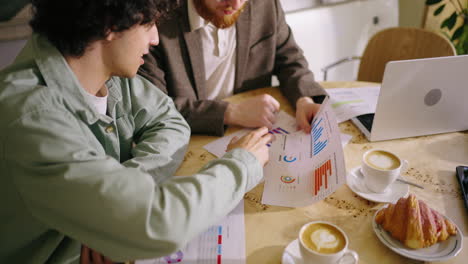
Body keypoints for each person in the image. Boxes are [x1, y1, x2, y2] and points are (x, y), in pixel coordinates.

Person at [0, 0, 273, 263]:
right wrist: (242, 164)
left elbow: (170, 120)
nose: (155, 38)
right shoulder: (31, 119)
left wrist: (112, 209)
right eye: (148, 24)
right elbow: (160, 221)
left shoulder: (99, 67)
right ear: (109, 25)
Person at [138, 0, 328, 136]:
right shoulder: (155, 18)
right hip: (186, 140)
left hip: (250, 136)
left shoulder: (264, 4)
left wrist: (303, 99)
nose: (236, 5)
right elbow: (152, 109)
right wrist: (231, 112)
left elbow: (290, 59)